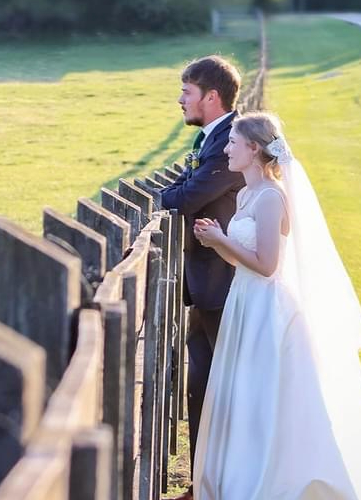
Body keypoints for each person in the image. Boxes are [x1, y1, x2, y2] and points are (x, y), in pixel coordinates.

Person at [190, 112, 361, 499]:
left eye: (233, 142)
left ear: (253, 149)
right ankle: (241, 475)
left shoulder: (270, 197)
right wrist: (219, 241)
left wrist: (221, 240)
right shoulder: (247, 193)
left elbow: (268, 266)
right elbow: (245, 259)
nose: (227, 148)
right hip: (244, 302)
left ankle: (271, 482)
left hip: (267, 310)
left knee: (266, 398)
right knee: (245, 395)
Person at [158, 55, 246, 500]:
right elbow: (186, 189)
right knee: (201, 385)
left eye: (186, 93)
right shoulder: (214, 139)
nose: (180, 100)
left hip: (223, 287)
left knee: (218, 390)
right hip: (207, 286)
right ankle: (204, 482)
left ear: (211, 97)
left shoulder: (234, 140)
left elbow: (188, 197)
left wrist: (165, 195)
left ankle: (216, 483)